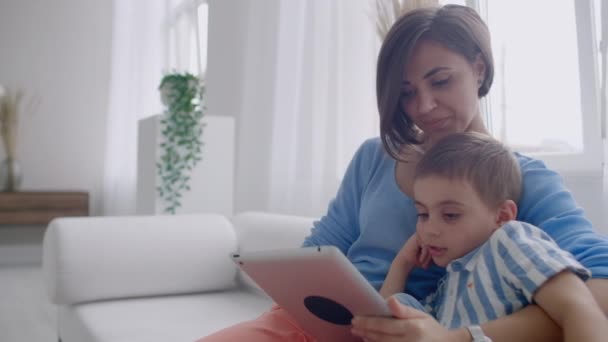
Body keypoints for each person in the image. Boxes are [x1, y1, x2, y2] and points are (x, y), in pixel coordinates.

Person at [199, 4, 608, 342]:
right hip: (312, 324)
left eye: (441, 82)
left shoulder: (521, 177)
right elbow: (319, 250)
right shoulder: (374, 157)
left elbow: (599, 293)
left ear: (479, 70)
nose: (423, 106)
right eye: (407, 92)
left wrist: (459, 338)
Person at [377, 132, 607, 342]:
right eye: (423, 214)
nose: (430, 230)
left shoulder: (510, 241)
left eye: (450, 215)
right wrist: (402, 263)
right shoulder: (447, 287)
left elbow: (579, 309)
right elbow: (383, 325)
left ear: (502, 215)